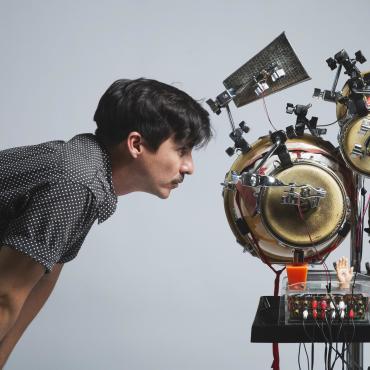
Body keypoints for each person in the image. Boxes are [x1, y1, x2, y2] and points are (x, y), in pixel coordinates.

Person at [0, 78, 212, 367]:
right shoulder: (76, 184)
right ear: (136, 144)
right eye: (181, 150)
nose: (189, 167)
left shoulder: (90, 176)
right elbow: (5, 295)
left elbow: (42, 278)